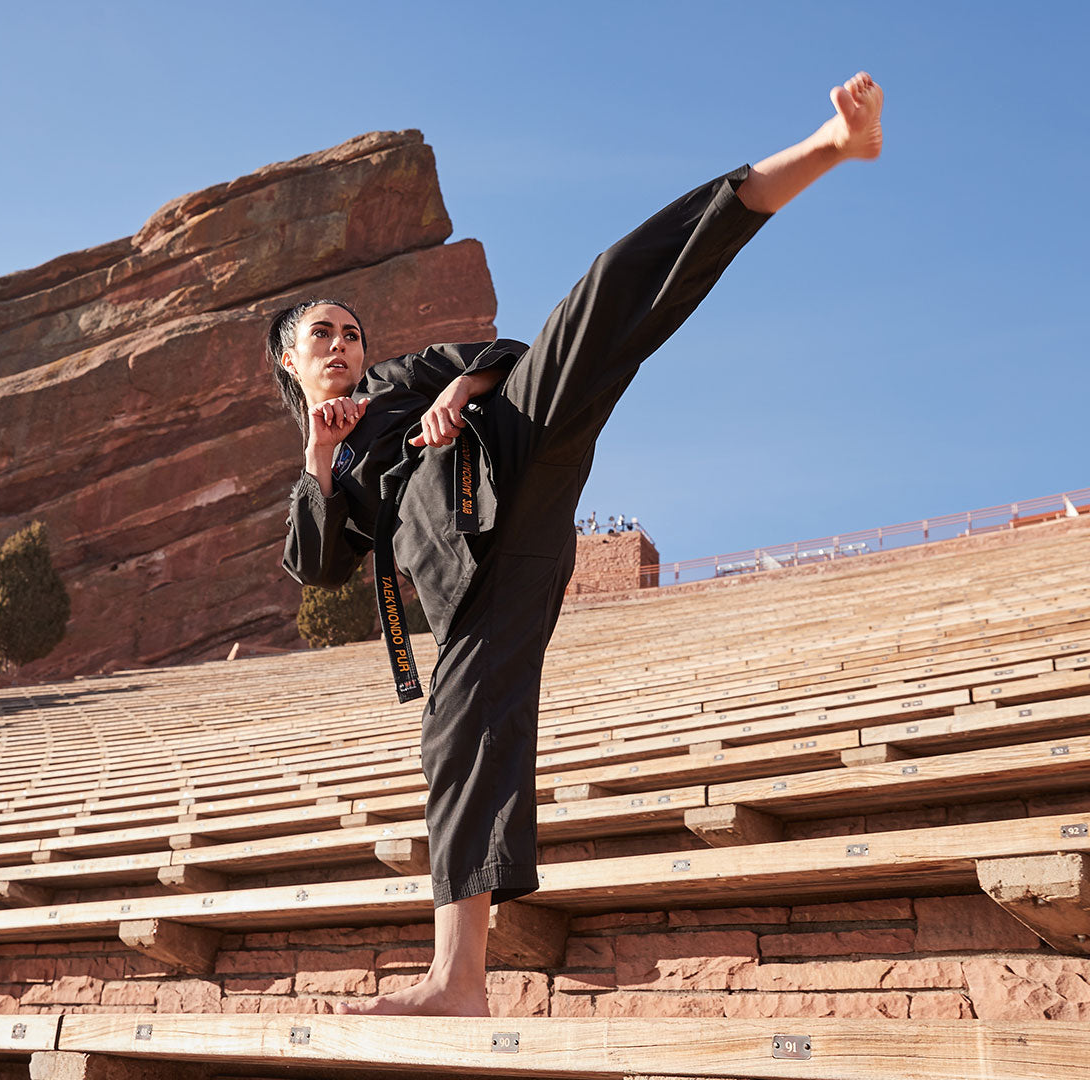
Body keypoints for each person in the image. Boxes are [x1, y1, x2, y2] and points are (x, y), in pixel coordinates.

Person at [271, 73, 884, 1016]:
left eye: (352, 331)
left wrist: (457, 394)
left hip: (512, 446)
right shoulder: (331, 468)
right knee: (457, 729)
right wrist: (320, 455)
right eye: (323, 334)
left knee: (607, 291)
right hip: (477, 572)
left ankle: (825, 149)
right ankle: (459, 982)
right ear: (289, 361)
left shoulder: (404, 373)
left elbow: (511, 356)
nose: (344, 344)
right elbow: (320, 564)